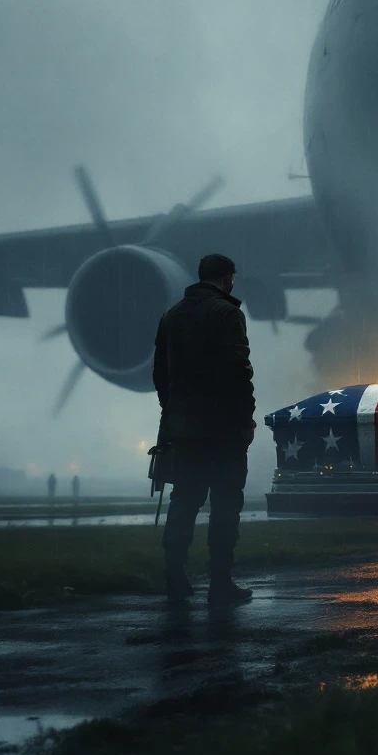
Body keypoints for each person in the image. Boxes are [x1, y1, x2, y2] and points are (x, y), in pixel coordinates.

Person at [153, 254, 256, 606]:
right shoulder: (228, 314)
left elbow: (160, 375)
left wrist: (175, 412)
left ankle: (174, 576)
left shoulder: (171, 316)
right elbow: (239, 373)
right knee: (225, 506)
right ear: (228, 278)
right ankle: (220, 583)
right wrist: (245, 421)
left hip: (184, 429)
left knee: (184, 501)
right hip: (223, 429)